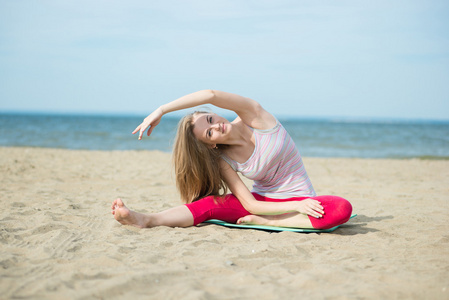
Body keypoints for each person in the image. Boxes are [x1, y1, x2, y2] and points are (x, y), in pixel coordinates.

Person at [111, 90, 352, 230]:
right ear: (211, 144)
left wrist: (162, 109)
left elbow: (212, 94)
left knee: (341, 209)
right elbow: (251, 205)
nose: (216, 125)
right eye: (209, 132)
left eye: (210, 119)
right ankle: (146, 219)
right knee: (209, 205)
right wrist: (289, 209)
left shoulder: (254, 115)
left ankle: (268, 223)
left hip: (301, 198)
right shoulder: (221, 157)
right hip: (265, 203)